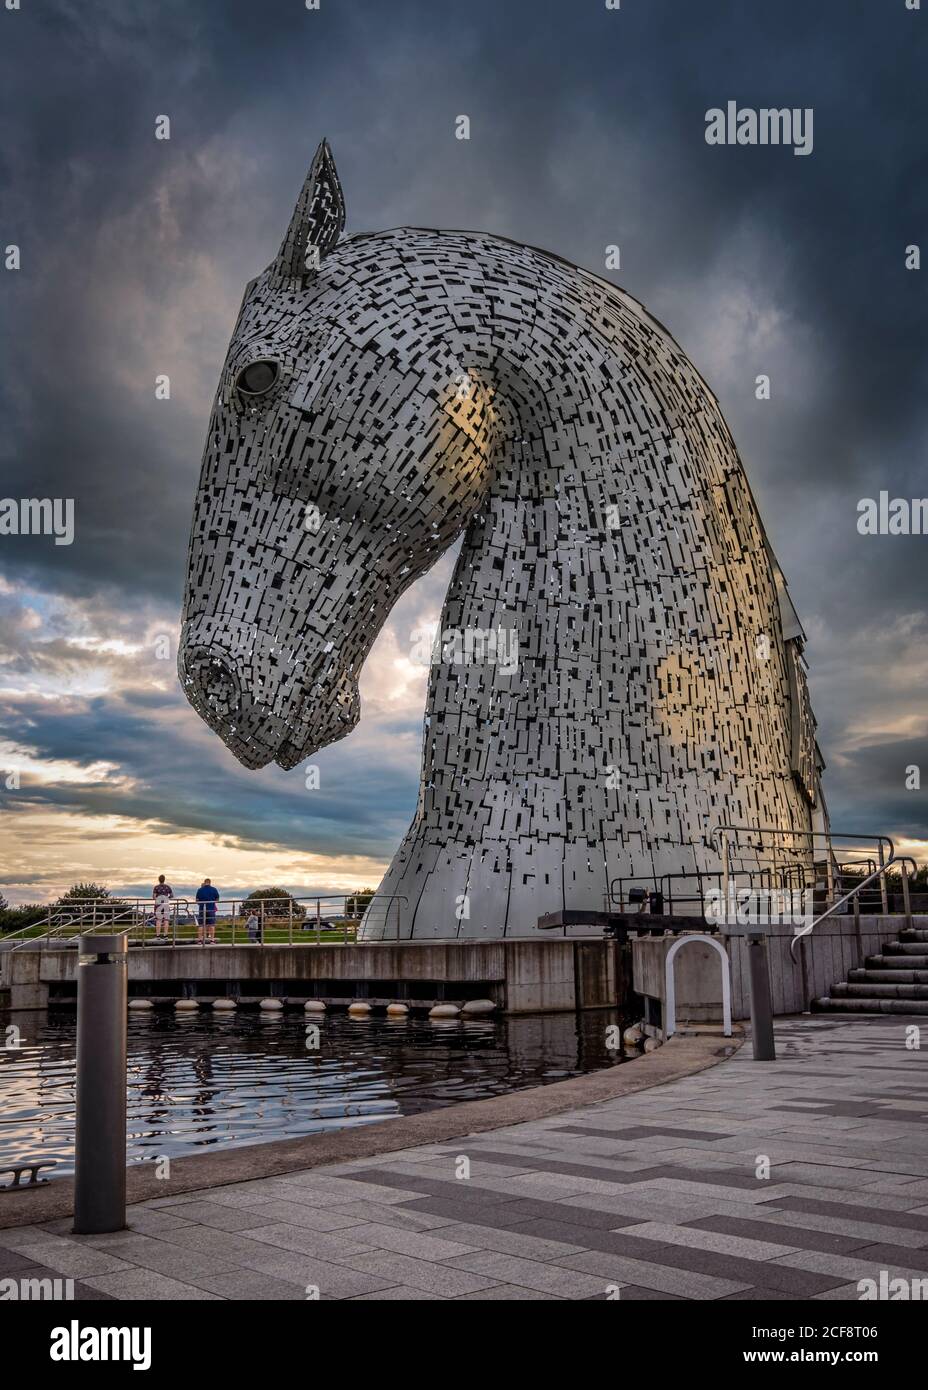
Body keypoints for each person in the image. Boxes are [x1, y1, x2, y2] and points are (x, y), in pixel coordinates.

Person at [196, 877, 220, 944]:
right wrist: (212, 902)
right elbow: (217, 899)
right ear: (210, 882)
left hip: (202, 909)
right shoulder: (214, 889)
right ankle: (212, 940)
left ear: (205, 882)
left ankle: (200, 940)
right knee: (212, 925)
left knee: (201, 925)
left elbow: (197, 901)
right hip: (211, 909)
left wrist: (201, 905)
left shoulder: (199, 890)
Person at [152, 874, 173, 942]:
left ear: (159, 880)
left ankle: (158, 935)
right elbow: (172, 895)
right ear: (164, 879)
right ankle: (165, 935)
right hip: (166, 904)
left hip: (158, 905)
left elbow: (154, 897)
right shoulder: (168, 887)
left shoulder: (156, 887)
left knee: (158, 920)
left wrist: (158, 898)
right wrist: (167, 898)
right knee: (166, 920)